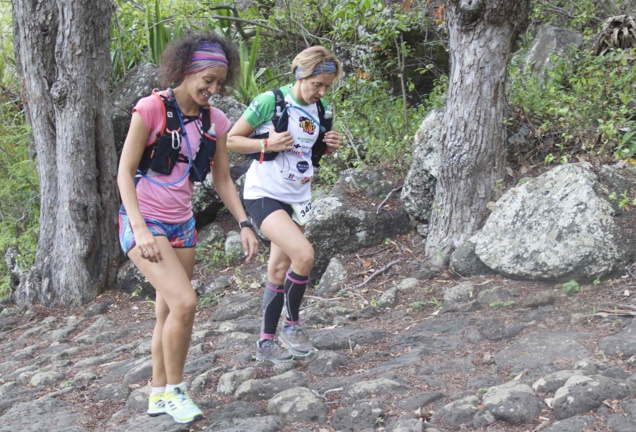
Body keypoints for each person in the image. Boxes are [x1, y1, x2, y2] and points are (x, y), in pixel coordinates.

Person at [117, 33, 258, 424]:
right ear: (185, 70)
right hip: (144, 220)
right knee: (185, 302)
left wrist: (245, 222)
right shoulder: (150, 109)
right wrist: (140, 228)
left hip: (182, 223)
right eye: (206, 79)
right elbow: (125, 173)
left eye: (219, 82)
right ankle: (178, 391)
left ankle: (158, 394)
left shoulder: (216, 121)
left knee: (167, 311)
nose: (212, 89)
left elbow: (223, 180)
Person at [227, 46, 342, 363]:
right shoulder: (271, 101)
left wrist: (327, 145)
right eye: (316, 84)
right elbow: (231, 140)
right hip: (264, 192)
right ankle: (291, 327)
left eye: (326, 86)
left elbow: (308, 152)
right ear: (300, 74)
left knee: (279, 267)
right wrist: (266, 143)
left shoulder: (322, 110)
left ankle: (266, 344)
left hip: (298, 197)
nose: (320, 91)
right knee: (303, 254)